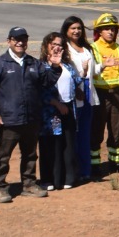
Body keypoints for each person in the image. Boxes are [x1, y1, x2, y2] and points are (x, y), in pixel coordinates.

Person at [0, 26, 49, 200]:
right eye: (16, 39)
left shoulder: (34, 63)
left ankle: (29, 184)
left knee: (30, 154)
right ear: (9, 41)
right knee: (3, 155)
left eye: (23, 39)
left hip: (31, 118)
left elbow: (46, 83)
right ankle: (1, 187)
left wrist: (55, 66)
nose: (20, 42)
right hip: (9, 120)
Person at [37, 33, 79, 191]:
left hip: (68, 108)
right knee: (50, 145)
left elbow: (77, 80)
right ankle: (49, 179)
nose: (57, 47)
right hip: (50, 111)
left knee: (67, 144)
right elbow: (40, 89)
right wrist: (56, 103)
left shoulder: (67, 65)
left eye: (60, 44)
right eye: (54, 44)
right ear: (46, 45)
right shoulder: (41, 66)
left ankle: (67, 177)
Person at [88, 12, 119, 174]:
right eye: (106, 29)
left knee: (116, 128)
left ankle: (115, 161)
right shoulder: (93, 48)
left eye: (112, 29)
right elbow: (91, 72)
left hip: (116, 92)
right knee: (96, 129)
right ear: (99, 31)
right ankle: (95, 163)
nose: (110, 32)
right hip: (99, 94)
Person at [60, 15, 98, 180]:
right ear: (66, 31)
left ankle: (85, 171)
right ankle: (72, 171)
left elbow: (93, 71)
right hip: (75, 96)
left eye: (79, 28)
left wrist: (104, 66)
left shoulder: (87, 48)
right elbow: (64, 73)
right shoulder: (64, 49)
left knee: (84, 135)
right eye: (73, 28)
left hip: (89, 95)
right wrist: (76, 87)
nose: (76, 31)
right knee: (73, 136)